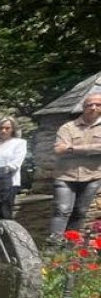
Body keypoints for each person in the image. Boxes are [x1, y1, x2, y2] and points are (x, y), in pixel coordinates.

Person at [49, 92, 101, 241]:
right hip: (65, 176)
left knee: (81, 211)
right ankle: (54, 246)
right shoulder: (68, 127)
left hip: (93, 176)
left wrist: (71, 148)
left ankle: (70, 246)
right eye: (89, 105)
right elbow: (59, 150)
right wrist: (92, 149)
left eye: (97, 104)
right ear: (83, 107)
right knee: (62, 210)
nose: (93, 107)